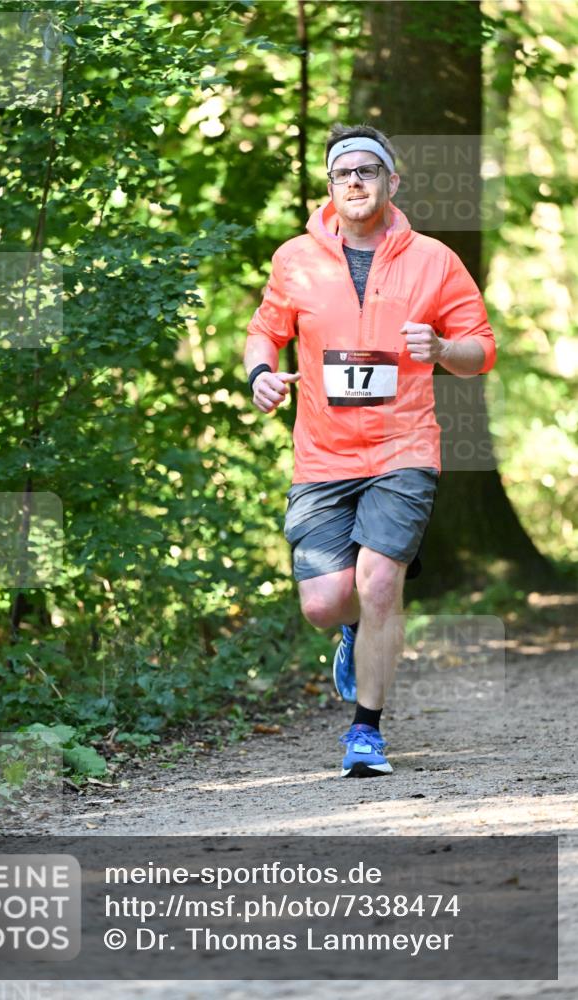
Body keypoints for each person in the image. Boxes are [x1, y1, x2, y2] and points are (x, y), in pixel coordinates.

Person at [244, 123, 496, 778]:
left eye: (367, 170)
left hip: (402, 448)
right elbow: (261, 333)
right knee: (324, 603)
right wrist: (259, 376)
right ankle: (358, 630)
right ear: (329, 187)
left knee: (379, 581)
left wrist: (441, 350)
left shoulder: (434, 260)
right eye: (342, 173)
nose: (354, 181)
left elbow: (480, 349)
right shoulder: (293, 259)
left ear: (392, 181)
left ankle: (365, 732)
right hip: (322, 457)